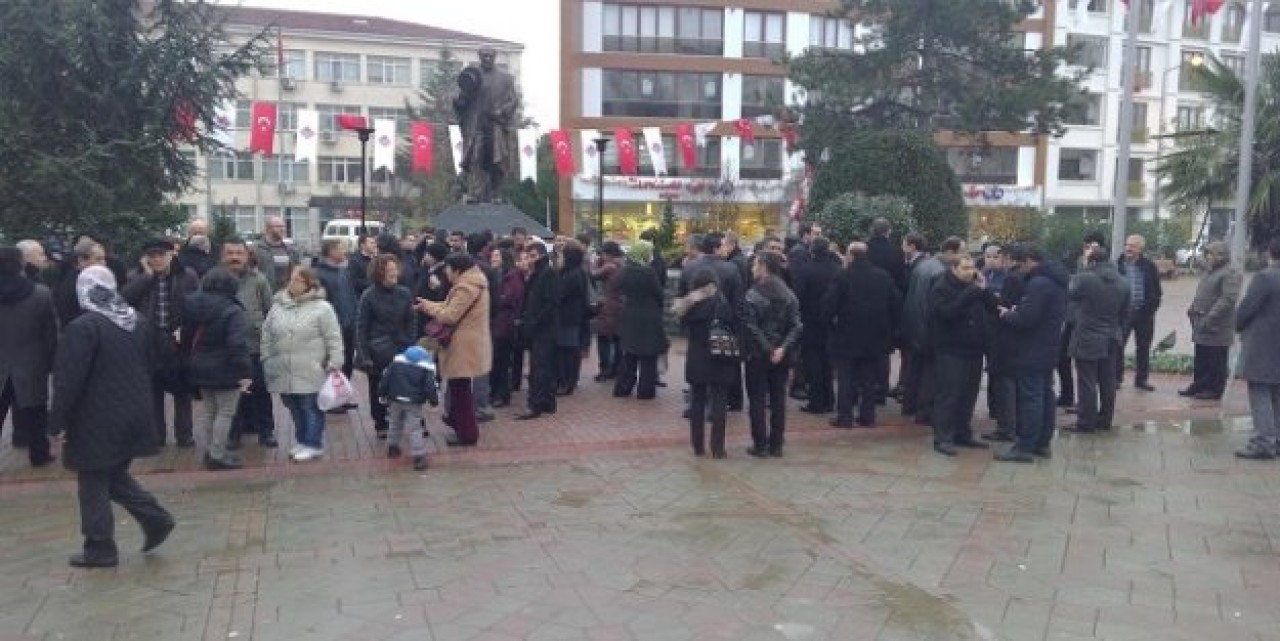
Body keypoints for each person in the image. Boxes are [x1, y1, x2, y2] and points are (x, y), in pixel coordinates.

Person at [49, 266, 175, 568]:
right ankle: (155, 519)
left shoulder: (83, 327)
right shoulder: (136, 321)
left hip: (95, 417)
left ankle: (99, 547)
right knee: (113, 474)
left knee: (92, 478)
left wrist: (56, 423)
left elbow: (68, 380)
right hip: (135, 411)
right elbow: (152, 363)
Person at [994, 246, 1070, 463]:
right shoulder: (1057, 281)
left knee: (1031, 397)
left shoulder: (1039, 284)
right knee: (1045, 394)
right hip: (1049, 346)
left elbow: (1027, 319)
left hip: (1032, 348)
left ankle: (1025, 446)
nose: (1018, 270)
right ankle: (1042, 443)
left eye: (1019, 264)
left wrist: (1007, 314)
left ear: (1028, 261)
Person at [122, 238, 200, 448]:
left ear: (171, 255)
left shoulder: (187, 275)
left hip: (177, 339)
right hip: (149, 340)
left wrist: (186, 329)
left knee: (182, 390)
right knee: (153, 390)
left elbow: (196, 305)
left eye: (161, 255)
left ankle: (185, 435)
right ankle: (157, 435)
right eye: (152, 256)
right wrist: (146, 277)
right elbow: (125, 299)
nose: (157, 259)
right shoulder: (137, 277)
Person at [261, 266, 343, 461]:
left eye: (298, 280)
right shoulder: (277, 306)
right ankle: (302, 439)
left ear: (309, 284)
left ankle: (313, 443)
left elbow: (333, 337)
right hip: (283, 368)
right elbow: (267, 334)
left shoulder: (323, 308)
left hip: (311, 368)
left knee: (310, 406)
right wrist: (266, 357)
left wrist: (335, 360)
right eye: (291, 279)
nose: (293, 283)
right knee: (293, 406)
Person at [416, 253, 492, 446]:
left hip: (463, 346)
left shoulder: (466, 287)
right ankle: (460, 426)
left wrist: (429, 309)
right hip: (467, 344)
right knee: (460, 389)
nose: (446, 273)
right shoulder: (471, 283)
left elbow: (450, 315)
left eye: (448, 269)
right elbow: (449, 305)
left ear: (457, 270)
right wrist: (427, 304)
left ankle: (467, 434)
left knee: (461, 392)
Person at [181, 268, 253, 470]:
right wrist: (245, 372)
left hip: (198, 365)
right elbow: (237, 344)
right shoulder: (232, 310)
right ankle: (217, 454)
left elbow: (185, 337)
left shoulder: (192, 305)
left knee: (209, 411)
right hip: (226, 367)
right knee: (226, 412)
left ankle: (209, 450)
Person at [824, 242, 901, 429]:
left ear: (850, 255)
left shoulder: (843, 276)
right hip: (874, 337)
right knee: (868, 378)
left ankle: (845, 416)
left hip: (846, 335)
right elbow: (896, 303)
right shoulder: (882, 276)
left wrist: (831, 325)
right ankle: (868, 416)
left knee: (846, 377)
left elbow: (829, 305)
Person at [928, 255, 998, 456]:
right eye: (965, 268)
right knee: (949, 394)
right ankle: (943, 437)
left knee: (969, 394)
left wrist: (985, 290)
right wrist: (970, 293)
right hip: (951, 349)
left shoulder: (975, 287)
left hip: (974, 349)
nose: (970, 272)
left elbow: (992, 307)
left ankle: (962, 432)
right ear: (954, 268)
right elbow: (946, 313)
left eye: (972, 268)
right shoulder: (942, 287)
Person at [0, 246, 57, 466]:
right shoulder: (40, 293)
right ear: (21, 264)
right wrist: (52, 360)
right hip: (32, 361)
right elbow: (50, 331)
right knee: (36, 412)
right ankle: (39, 454)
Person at [742, 252, 802, 458]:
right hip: (782, 355)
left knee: (757, 399)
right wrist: (782, 348)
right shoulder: (789, 294)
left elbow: (751, 326)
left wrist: (768, 348)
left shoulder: (753, 294)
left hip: (758, 355)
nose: (752, 268)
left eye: (755, 265)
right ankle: (776, 443)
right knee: (778, 399)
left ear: (764, 267)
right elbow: (796, 326)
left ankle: (760, 444)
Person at [1064, 247, 1129, 434]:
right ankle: (1105, 419)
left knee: (1087, 380)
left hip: (1087, 336)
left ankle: (1086, 422)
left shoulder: (1085, 278)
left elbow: (1070, 294)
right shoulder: (1123, 282)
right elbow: (1125, 313)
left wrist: (1082, 270)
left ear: (1092, 261)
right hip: (1112, 336)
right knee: (1108, 380)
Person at [674, 268, 737, 459]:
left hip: (697, 357)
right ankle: (718, 448)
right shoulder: (721, 302)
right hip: (719, 355)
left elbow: (680, 322)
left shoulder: (690, 305)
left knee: (697, 401)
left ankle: (697, 445)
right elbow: (733, 323)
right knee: (719, 402)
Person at [900, 236, 964, 424]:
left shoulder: (923, 266)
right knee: (931, 373)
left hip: (915, 326)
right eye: (961, 251)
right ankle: (925, 411)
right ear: (950, 252)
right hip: (929, 328)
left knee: (915, 369)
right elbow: (934, 304)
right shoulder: (941, 272)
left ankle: (909, 405)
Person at [220, 238, 277, 449]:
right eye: (230, 253)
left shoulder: (258, 280)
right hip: (227, 348)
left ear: (247, 256)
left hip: (254, 345)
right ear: (222, 256)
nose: (235, 257)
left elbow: (270, 311)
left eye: (239, 253)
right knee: (231, 392)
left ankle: (266, 431)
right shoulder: (215, 280)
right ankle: (233, 433)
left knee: (260, 390)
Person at [356, 254, 417, 439]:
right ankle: (381, 422)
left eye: (395, 269)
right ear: (379, 273)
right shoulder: (368, 296)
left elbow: (411, 320)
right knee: (378, 389)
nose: (394, 273)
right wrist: (365, 355)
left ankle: (405, 420)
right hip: (378, 351)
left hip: (401, 348)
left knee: (404, 388)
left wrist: (410, 342)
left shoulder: (404, 293)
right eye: (389, 270)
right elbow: (362, 327)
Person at [1234, 238, 1280, 459]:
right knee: (1277, 393)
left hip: (1263, 344)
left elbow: (1247, 308)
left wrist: (1238, 324)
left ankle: (1263, 441)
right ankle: (1276, 439)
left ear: (1270, 253)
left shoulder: (1265, 277)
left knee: (1260, 391)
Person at [1181, 241, 1243, 401]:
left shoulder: (1230, 273)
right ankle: (1199, 384)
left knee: (1216, 358)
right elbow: (1202, 293)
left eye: (1211, 254)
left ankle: (1214, 389)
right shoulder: (1209, 271)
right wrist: (1193, 308)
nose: (1208, 257)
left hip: (1218, 325)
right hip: (1201, 321)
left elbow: (1228, 299)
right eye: (1207, 253)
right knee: (1201, 356)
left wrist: (1211, 316)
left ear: (1221, 255)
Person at [791, 237, 841, 415]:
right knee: (828, 362)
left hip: (810, 322)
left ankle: (816, 401)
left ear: (812, 250)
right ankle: (829, 399)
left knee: (812, 362)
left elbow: (798, 297)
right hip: (831, 322)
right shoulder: (837, 269)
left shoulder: (806, 270)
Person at [613, 240, 668, 400]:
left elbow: (616, 287)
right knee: (648, 356)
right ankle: (645, 390)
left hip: (630, 314)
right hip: (649, 316)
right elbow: (659, 294)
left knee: (629, 354)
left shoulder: (624, 271)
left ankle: (623, 388)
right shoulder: (648, 272)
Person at [982, 246, 1026, 443]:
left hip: (1002, 332)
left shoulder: (1011, 278)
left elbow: (1003, 303)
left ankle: (1006, 424)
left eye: (996, 257)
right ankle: (999, 413)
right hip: (991, 330)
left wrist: (989, 295)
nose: (992, 260)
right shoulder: (984, 273)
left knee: (1004, 379)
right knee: (997, 376)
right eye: (988, 257)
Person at [377, 346, 440, 471]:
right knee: (415, 428)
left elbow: (385, 380)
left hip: (395, 399)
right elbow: (429, 387)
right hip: (413, 402)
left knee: (394, 423)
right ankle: (418, 456)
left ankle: (392, 447)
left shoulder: (395, 365)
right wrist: (434, 401)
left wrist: (382, 394)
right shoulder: (425, 369)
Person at [517, 242, 560, 420]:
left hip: (544, 329)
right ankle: (547, 402)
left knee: (539, 367)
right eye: (528, 256)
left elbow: (550, 303)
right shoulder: (537, 274)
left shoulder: (546, 274)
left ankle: (536, 404)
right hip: (539, 327)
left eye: (533, 256)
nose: (529, 260)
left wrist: (534, 321)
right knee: (543, 366)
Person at [1116, 234, 1162, 391]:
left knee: (1143, 348)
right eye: (1127, 245)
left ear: (1140, 249)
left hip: (1144, 313)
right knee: (1118, 346)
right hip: (1123, 314)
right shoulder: (1117, 265)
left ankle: (1141, 380)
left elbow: (1157, 290)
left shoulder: (1149, 266)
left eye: (1132, 246)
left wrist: (1152, 307)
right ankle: (1116, 378)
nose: (1128, 248)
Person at [314, 239, 359, 386]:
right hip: (333, 327)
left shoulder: (344, 272)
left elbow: (351, 296)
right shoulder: (319, 274)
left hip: (348, 326)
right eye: (341, 248)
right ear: (331, 251)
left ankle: (342, 392)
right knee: (333, 365)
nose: (344, 252)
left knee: (347, 363)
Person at [490, 248, 524, 408]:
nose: (493, 258)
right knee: (497, 360)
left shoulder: (511, 276)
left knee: (502, 360)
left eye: (497, 255)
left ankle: (502, 394)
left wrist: (495, 300)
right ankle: (496, 392)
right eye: (493, 255)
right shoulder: (497, 275)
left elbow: (511, 297)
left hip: (505, 323)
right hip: (498, 322)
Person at [555, 241, 590, 396]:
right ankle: (570, 380)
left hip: (568, 317)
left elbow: (559, 294)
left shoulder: (571, 275)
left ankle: (566, 382)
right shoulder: (578, 272)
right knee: (570, 350)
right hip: (575, 316)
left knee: (566, 351)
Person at [590, 241, 625, 382]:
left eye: (603, 254)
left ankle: (605, 370)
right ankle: (617, 369)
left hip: (608, 307)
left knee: (603, 339)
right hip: (621, 306)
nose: (602, 256)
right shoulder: (623, 265)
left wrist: (594, 262)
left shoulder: (610, 266)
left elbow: (592, 274)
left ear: (608, 254)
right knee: (618, 340)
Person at [54, 238, 106, 329]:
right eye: (98, 259)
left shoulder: (92, 280)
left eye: (104, 259)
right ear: (81, 260)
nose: (104, 263)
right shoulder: (74, 284)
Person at [252, 216, 299, 292]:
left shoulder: (291, 250)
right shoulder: (257, 249)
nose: (282, 229)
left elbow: (299, 271)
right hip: (265, 292)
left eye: (283, 226)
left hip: (286, 294)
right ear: (268, 229)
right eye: (278, 226)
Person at [348, 234, 377, 298]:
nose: (374, 245)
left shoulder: (377, 258)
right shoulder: (355, 260)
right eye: (371, 243)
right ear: (362, 245)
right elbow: (354, 281)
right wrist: (373, 285)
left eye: (375, 243)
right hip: (361, 296)